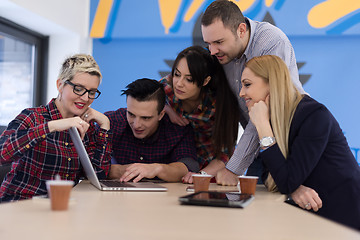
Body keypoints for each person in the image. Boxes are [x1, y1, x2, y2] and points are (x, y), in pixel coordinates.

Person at [241, 55, 360, 230]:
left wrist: (263, 127)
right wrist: (294, 188)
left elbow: (286, 180)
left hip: (343, 213)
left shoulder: (314, 115)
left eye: (247, 84)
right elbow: (271, 173)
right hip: (312, 209)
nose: (241, 93)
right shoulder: (273, 117)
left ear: (271, 84)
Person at [201, 0, 306, 185]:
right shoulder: (220, 52)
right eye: (208, 43)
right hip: (258, 145)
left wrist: (233, 168)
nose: (212, 51)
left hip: (289, 142)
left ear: (241, 30)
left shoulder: (271, 42)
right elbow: (188, 72)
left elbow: (262, 109)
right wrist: (165, 103)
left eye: (218, 42)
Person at [0, 54, 112, 202]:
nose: (85, 98)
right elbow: (3, 154)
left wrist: (105, 126)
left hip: (60, 209)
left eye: (91, 92)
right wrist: (52, 126)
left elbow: (97, 176)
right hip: (19, 206)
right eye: (78, 89)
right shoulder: (33, 117)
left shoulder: (86, 127)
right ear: (60, 85)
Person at [160, 46, 241, 183]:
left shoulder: (218, 105)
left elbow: (225, 155)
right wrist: (167, 110)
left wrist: (201, 175)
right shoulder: (166, 87)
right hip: (175, 166)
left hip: (210, 169)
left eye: (189, 79)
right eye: (177, 74)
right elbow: (144, 102)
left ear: (205, 81)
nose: (179, 84)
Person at [106, 78, 199, 183]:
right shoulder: (111, 122)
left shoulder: (177, 130)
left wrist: (157, 169)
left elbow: (189, 166)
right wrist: (120, 170)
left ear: (161, 115)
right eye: (131, 114)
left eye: (146, 118)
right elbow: (89, 164)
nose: (136, 125)